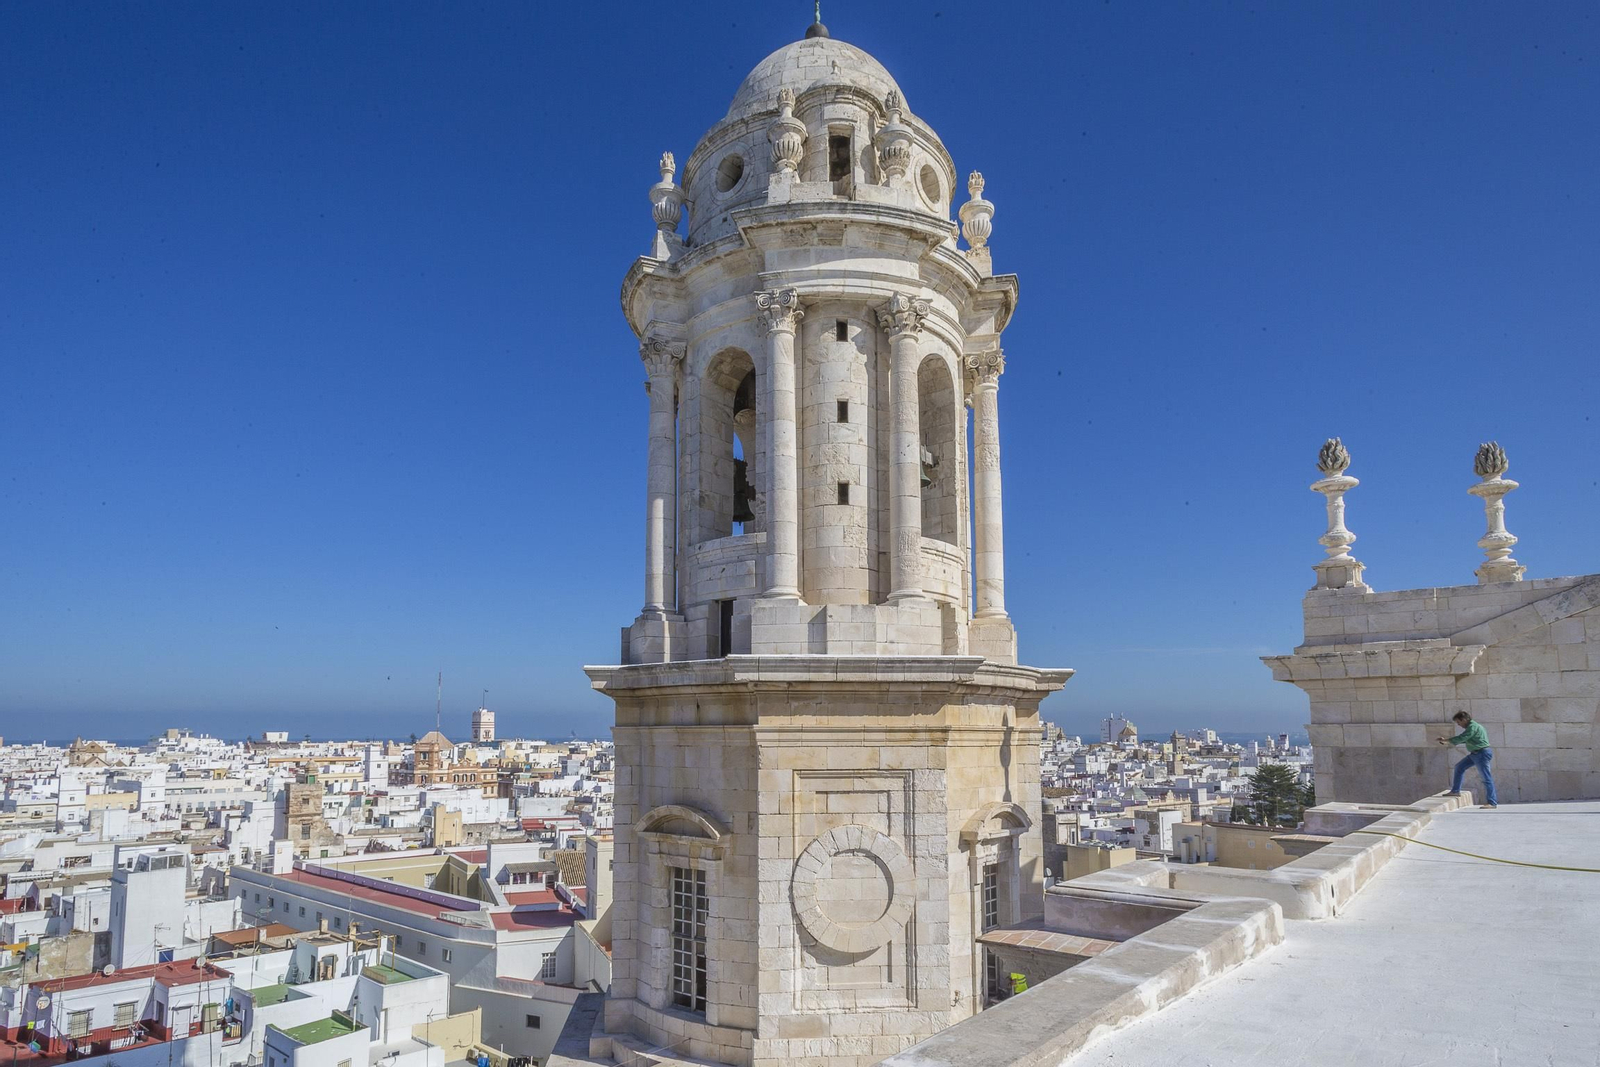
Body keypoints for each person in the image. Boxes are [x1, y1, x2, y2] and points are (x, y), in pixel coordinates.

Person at [1438, 711, 1497, 808]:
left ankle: (1492, 802)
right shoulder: (1473, 727)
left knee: (1486, 778)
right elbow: (1466, 739)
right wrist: (1446, 741)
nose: (1459, 725)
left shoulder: (1472, 727)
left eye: (1459, 722)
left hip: (1481, 753)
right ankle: (1455, 791)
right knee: (1459, 767)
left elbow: (1463, 737)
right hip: (1475, 754)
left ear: (1464, 719)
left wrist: (1448, 740)